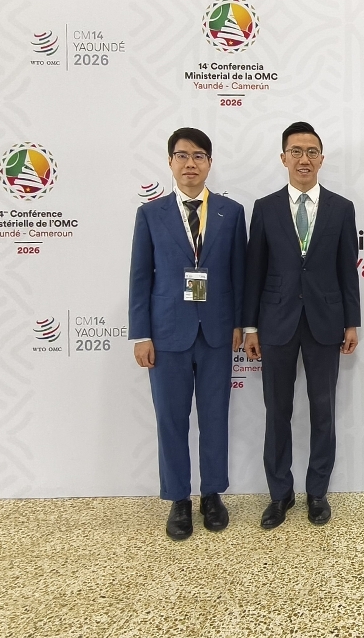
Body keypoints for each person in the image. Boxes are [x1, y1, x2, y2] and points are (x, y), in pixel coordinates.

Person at [129, 127, 246, 541]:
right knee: (171, 419)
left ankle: (212, 494)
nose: (190, 163)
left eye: (199, 156)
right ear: (170, 162)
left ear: (210, 163)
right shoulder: (150, 214)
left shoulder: (231, 212)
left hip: (217, 332)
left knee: (215, 418)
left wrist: (240, 323)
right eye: (182, 156)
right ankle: (178, 499)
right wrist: (141, 334)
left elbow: (239, 273)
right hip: (166, 334)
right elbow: (140, 277)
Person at [242, 121, 361, 529]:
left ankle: (317, 492)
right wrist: (250, 327)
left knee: (323, 410)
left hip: (326, 323)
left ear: (321, 159)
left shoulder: (341, 208)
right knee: (277, 412)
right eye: (296, 151)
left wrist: (351, 322)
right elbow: (254, 271)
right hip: (276, 323)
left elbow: (347, 270)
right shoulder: (265, 207)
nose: (304, 159)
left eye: (311, 152)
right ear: (283, 158)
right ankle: (280, 494)